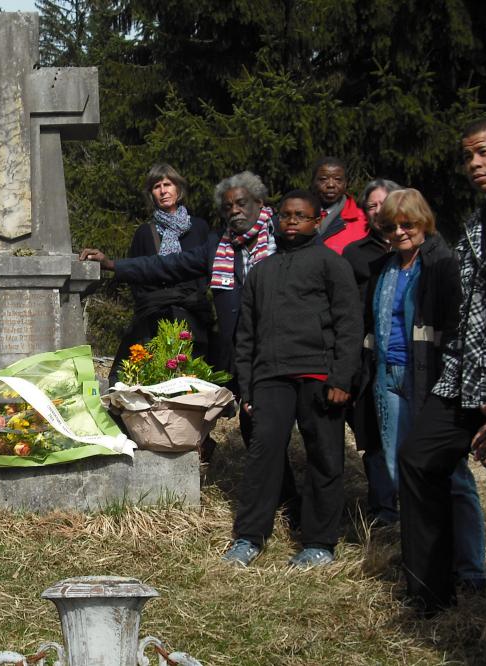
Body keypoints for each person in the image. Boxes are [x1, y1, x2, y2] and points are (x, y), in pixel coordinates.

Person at [79, 172, 299, 518]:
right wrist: (112, 265)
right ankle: (285, 506)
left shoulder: (282, 242)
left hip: (286, 349)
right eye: (228, 207)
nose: (234, 211)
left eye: (242, 203)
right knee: (256, 429)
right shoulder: (219, 246)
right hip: (244, 352)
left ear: (260, 204)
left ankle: (306, 514)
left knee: (292, 436)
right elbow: (167, 263)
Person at [222, 190, 362, 569]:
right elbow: (246, 334)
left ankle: (319, 542)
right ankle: (249, 537)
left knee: (325, 455)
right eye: (285, 215)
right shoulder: (262, 272)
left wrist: (341, 378)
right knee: (263, 454)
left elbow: (349, 325)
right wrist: (248, 387)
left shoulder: (332, 264)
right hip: (270, 377)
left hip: (320, 376)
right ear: (275, 219)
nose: (291, 222)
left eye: (301, 216)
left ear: (317, 221)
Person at [358, 188, 486, 589]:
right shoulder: (385, 268)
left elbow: (458, 327)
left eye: (407, 224)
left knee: (451, 474)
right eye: (391, 225)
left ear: (423, 223)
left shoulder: (441, 264)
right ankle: (426, 563)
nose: (399, 232)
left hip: (430, 379)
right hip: (388, 377)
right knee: (402, 472)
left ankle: (469, 567)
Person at [398, 117, 486, 613]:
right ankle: (428, 593)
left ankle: (474, 575)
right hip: (464, 377)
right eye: (468, 156)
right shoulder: (480, 223)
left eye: (483, 152)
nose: (474, 163)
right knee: (417, 458)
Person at [106, 163, 212, 385]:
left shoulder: (200, 227)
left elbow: (206, 269)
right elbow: (137, 274)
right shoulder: (146, 233)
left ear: (178, 189)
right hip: (154, 317)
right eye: (157, 186)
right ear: (151, 194)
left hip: (194, 316)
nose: (163, 191)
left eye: (168, 184)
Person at [344, 178, 401, 523]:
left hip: (410, 357)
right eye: (372, 205)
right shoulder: (355, 255)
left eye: (385, 203)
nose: (379, 211)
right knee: (374, 435)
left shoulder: (423, 249)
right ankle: (383, 509)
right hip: (369, 356)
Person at [311, 156, 369, 255]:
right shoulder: (297, 216)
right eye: (323, 179)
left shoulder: (363, 221)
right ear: (313, 182)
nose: (331, 185)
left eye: (338, 180)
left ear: (345, 184)